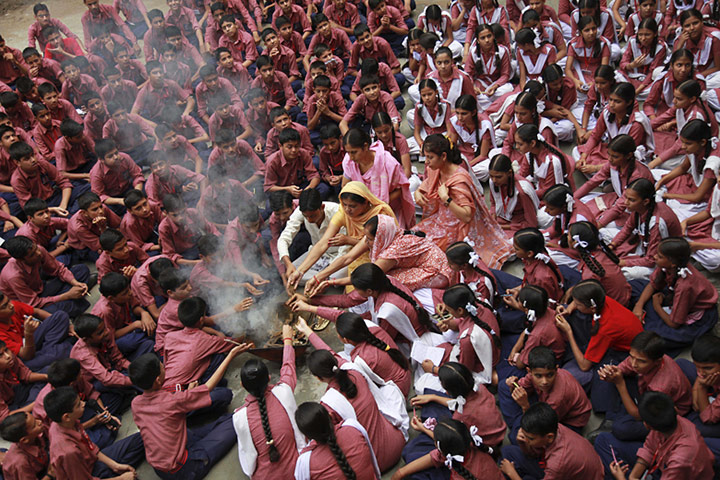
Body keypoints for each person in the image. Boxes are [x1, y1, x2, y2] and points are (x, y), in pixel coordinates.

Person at [414, 135, 511, 269]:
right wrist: (417, 192)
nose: (426, 162)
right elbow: (427, 184)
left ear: (443, 156)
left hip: (458, 227)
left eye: (430, 157)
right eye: (425, 157)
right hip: (440, 219)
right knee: (412, 238)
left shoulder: (459, 179)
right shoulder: (434, 169)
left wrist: (446, 199)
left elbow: (467, 216)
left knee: (431, 255)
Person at [286, 181, 395, 292]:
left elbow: (350, 256)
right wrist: (300, 271)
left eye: (352, 206)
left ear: (366, 202)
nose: (347, 209)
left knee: (362, 286)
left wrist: (319, 277)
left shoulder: (380, 214)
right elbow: (323, 243)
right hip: (356, 254)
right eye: (345, 204)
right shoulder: (343, 213)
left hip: (381, 256)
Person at [306, 214, 452, 293]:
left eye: (369, 240)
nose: (366, 243)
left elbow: (368, 276)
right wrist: (317, 277)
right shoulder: (384, 232)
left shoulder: (393, 249)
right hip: (421, 261)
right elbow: (347, 258)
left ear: (380, 238)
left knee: (385, 281)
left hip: (435, 269)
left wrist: (330, 282)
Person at [232, 324, 305, 479]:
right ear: (269, 378)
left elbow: (249, 458)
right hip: (299, 471)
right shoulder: (283, 392)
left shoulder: (239, 417)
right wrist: (287, 339)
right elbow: (288, 367)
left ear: (242, 385)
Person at [595, 392, 715, 480]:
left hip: (673, 473)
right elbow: (649, 446)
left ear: (646, 425)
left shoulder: (681, 460)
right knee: (603, 440)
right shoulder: (670, 420)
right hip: (659, 464)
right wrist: (633, 476)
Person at [632, 237, 718, 347]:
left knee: (653, 334)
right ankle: (649, 312)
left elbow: (674, 324)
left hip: (699, 316)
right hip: (672, 295)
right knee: (635, 285)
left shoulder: (685, 285)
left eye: (660, 256)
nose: (655, 257)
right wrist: (638, 306)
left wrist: (656, 305)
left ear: (672, 263)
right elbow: (653, 284)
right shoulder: (668, 267)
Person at [44, 386, 145, 479]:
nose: (84, 404)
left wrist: (115, 466)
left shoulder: (64, 423)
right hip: (89, 473)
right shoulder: (68, 452)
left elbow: (91, 447)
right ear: (66, 417)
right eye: (79, 405)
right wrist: (121, 479)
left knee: (143, 438)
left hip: (92, 462)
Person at [502, 346, 591, 439]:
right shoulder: (533, 375)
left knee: (519, 437)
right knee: (503, 386)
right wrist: (514, 385)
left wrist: (525, 407)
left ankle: (519, 424)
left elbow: (544, 424)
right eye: (538, 376)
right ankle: (517, 424)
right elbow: (522, 387)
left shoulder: (558, 397)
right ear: (529, 371)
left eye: (549, 375)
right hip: (545, 403)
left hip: (570, 421)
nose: (544, 382)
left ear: (556, 370)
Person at [500, 402, 604, 479]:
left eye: (530, 438)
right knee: (508, 450)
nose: (526, 439)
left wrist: (512, 474)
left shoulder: (557, 463)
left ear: (549, 437)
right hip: (586, 469)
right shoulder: (554, 427)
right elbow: (533, 452)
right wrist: (523, 443)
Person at [341, 128, 415, 229]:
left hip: (387, 208)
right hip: (361, 209)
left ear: (365, 146)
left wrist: (378, 205)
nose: (351, 157)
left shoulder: (388, 163)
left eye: (354, 152)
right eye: (348, 152)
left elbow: (400, 190)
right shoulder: (349, 162)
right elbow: (345, 186)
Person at [0, 236, 91, 316]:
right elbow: (33, 304)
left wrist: (75, 283)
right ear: (20, 260)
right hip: (31, 303)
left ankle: (76, 293)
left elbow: (58, 269)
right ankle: (73, 298)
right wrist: (67, 295)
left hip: (41, 289)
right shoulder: (13, 276)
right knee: (58, 311)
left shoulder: (38, 250)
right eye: (32, 255)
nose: (38, 253)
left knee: (81, 270)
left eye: (36, 248)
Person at [294, 401, 380, 480]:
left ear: (306, 436)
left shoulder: (305, 463)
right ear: (330, 416)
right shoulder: (353, 427)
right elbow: (374, 466)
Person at [278, 188, 346, 285]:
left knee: (336, 276)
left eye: (313, 216)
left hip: (338, 255)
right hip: (316, 255)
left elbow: (344, 251)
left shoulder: (337, 211)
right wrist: (288, 264)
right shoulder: (300, 211)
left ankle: (322, 279)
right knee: (292, 274)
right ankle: (320, 280)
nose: (309, 220)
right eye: (306, 217)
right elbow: (284, 238)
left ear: (322, 207)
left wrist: (326, 271)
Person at [0, 291, 71, 372]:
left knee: (60, 316)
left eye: (8, 301)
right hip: (24, 354)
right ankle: (55, 350)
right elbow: (26, 356)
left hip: (31, 339)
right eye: (4, 306)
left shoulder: (13, 306)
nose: (11, 305)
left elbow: (37, 312)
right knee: (60, 351)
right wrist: (28, 334)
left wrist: (69, 325)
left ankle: (51, 350)